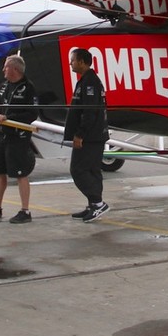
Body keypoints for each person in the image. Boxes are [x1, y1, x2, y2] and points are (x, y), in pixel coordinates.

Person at [0, 54, 39, 224]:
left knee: (20, 173)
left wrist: (8, 116)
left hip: (18, 137)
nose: (3, 70)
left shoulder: (28, 88)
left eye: (6, 67)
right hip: (2, 135)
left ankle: (25, 211)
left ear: (15, 69)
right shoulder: (5, 86)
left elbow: (32, 113)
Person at [63, 47, 110, 222]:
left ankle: (98, 204)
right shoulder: (86, 81)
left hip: (91, 137)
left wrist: (80, 134)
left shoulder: (90, 83)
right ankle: (93, 204)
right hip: (94, 136)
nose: (70, 63)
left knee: (78, 169)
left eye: (73, 60)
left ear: (82, 62)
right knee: (92, 170)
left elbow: (90, 112)